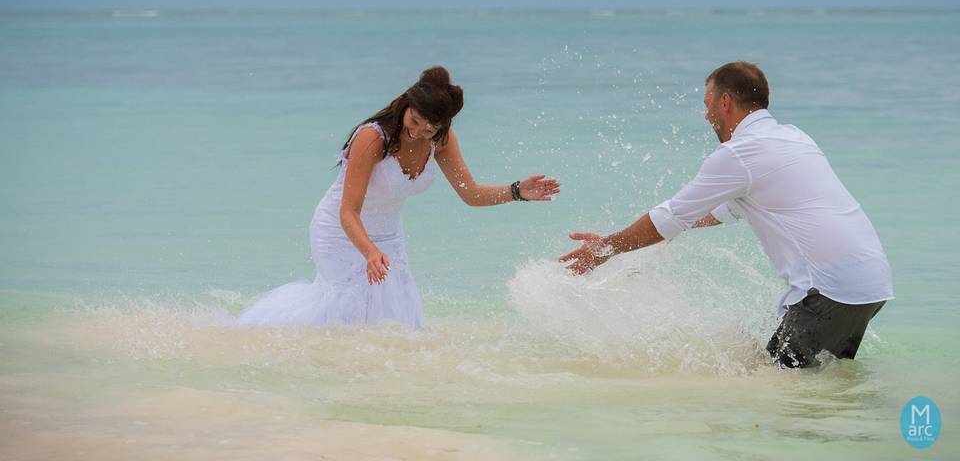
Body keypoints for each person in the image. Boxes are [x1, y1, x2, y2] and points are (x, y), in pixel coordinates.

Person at [559, 61, 893, 368]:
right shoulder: (794, 137)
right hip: (871, 283)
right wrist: (671, 228)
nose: (706, 116)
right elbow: (719, 211)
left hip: (830, 291)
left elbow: (670, 217)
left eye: (707, 105)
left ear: (725, 103)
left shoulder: (740, 153)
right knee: (823, 389)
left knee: (784, 393)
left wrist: (606, 249)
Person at [236, 66, 560, 329]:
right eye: (415, 121)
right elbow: (348, 211)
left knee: (394, 319)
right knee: (347, 310)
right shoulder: (372, 138)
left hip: (388, 237)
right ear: (407, 103)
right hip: (341, 233)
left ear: (442, 127)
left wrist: (517, 191)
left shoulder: (442, 141)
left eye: (429, 128)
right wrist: (369, 252)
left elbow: (470, 194)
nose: (418, 132)